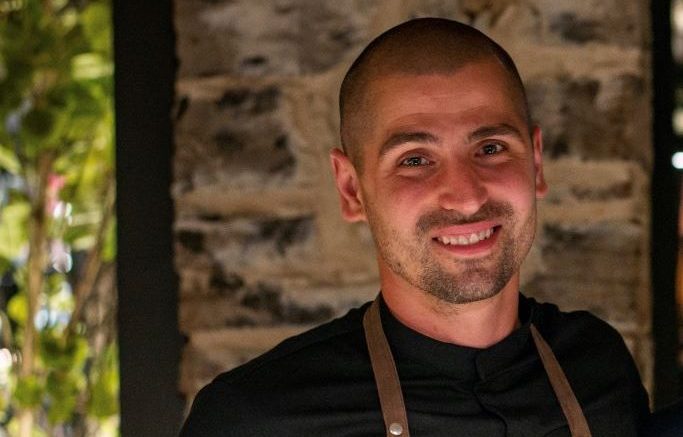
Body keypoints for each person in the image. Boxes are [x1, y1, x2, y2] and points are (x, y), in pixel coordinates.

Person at [180, 18, 649, 436]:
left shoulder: (597, 367)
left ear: (537, 162)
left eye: (490, 148)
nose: (466, 195)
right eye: (415, 160)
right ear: (351, 190)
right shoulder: (254, 419)